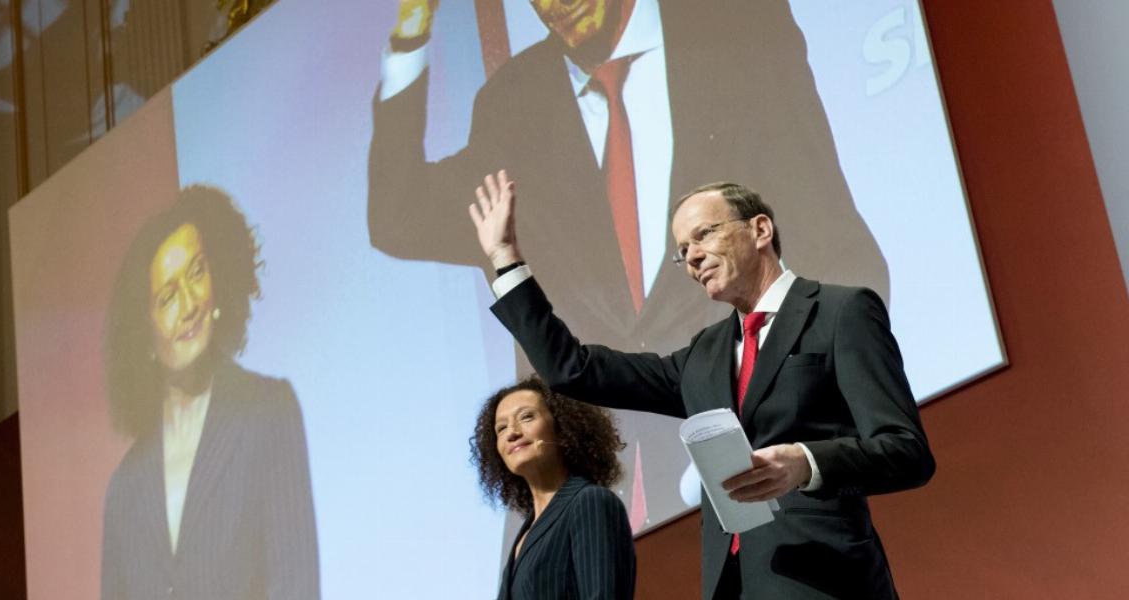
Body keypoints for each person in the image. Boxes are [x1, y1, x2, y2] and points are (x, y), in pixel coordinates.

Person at [370, 0, 890, 526]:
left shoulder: (738, 27)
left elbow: (830, 226)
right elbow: (399, 215)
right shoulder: (512, 100)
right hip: (588, 457)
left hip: (753, 442)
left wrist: (805, 426)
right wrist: (411, 36)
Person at [468, 171, 934, 600]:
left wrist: (805, 462)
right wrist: (506, 260)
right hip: (731, 587)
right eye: (681, 250)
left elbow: (905, 450)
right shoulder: (702, 358)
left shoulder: (839, 313)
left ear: (760, 230)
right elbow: (574, 370)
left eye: (703, 235)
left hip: (827, 578)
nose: (691, 256)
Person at [100, 185, 319, 599]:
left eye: (197, 272)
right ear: (143, 333)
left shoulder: (267, 411)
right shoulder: (125, 488)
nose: (189, 304)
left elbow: (296, 585)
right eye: (167, 297)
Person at [471, 377, 636, 599]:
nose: (512, 433)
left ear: (562, 428)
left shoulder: (590, 502)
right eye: (501, 428)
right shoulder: (525, 534)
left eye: (526, 417)